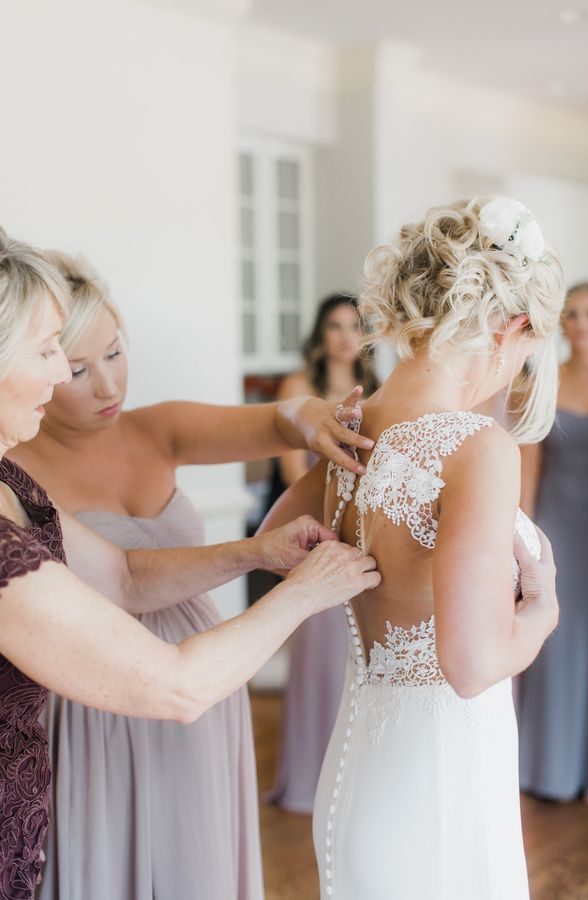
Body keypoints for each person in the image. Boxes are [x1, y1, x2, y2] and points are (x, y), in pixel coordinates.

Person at [0, 227, 381, 900]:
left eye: (109, 353)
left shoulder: (21, 481)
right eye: (54, 355)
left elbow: (122, 575)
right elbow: (172, 685)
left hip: (195, 688)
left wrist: (259, 552)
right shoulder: (19, 481)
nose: (78, 376)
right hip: (104, 704)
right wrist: (296, 593)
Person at [261, 196, 562, 899]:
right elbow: (470, 664)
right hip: (441, 780)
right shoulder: (477, 446)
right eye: (524, 352)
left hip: (356, 767)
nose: (515, 369)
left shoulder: (356, 425)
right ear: (511, 328)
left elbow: (272, 545)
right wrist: (542, 612)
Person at [268, 294, 379, 813]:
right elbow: (294, 476)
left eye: (353, 326)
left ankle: (356, 784)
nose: (343, 336)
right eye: (333, 325)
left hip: (367, 536)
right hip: (313, 531)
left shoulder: (378, 394)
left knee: (358, 659)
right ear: (320, 333)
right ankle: (309, 780)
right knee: (318, 656)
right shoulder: (299, 390)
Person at [518, 281, 588, 807]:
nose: (581, 321)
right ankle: (551, 767)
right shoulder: (541, 382)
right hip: (558, 524)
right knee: (558, 638)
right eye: (571, 313)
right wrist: (523, 539)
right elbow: (528, 467)